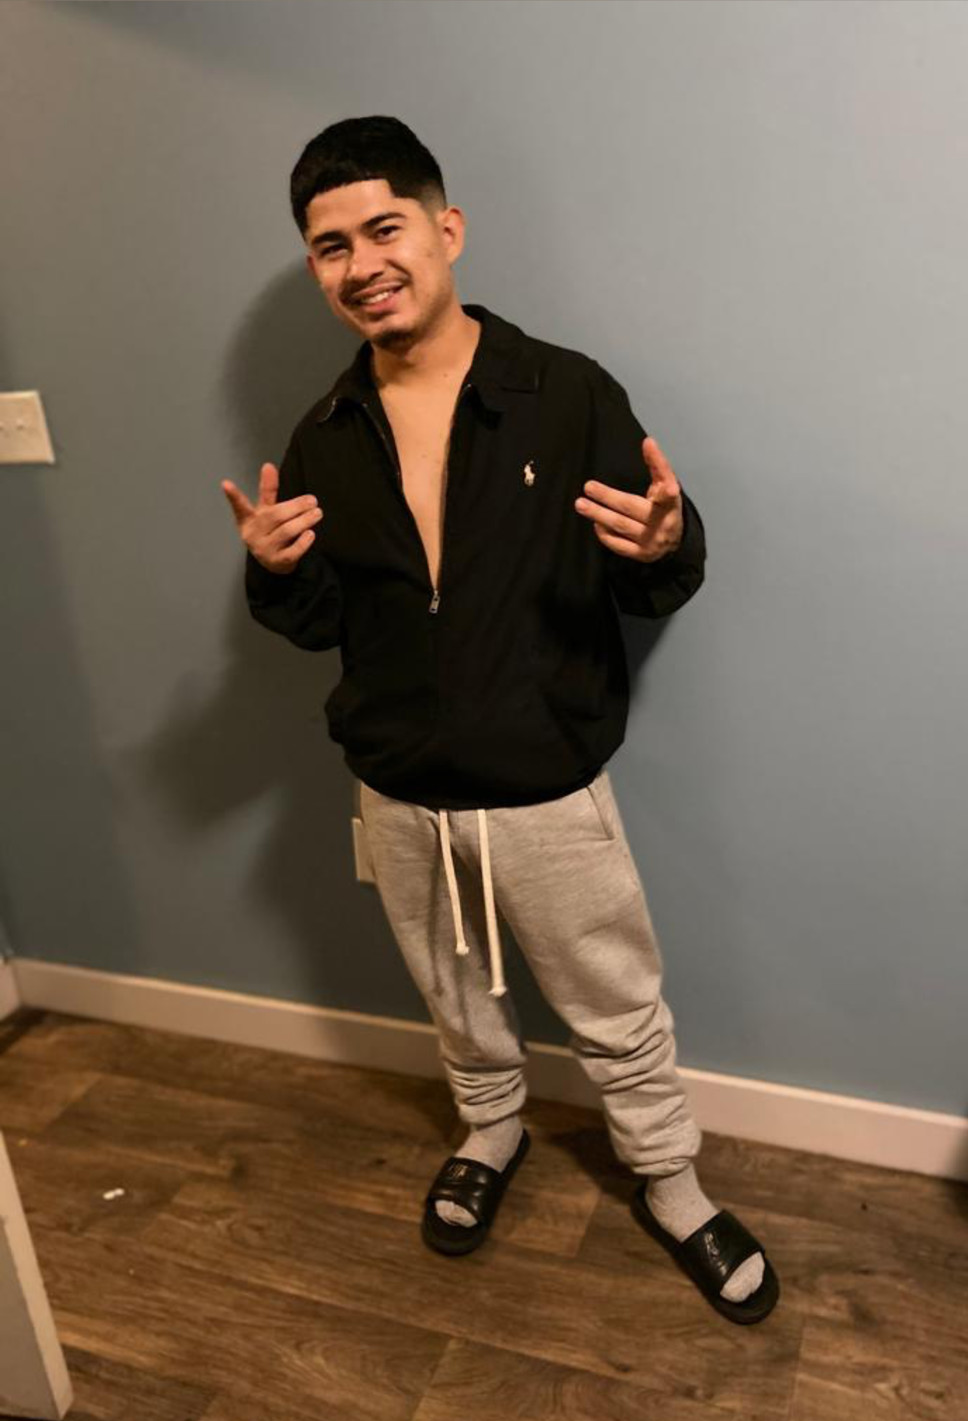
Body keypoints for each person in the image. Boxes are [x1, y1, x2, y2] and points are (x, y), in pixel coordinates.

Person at [221, 116, 778, 1325]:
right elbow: (324, 623)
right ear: (315, 267)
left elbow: (651, 569)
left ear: (446, 229)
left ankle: (672, 1182)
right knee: (456, 1000)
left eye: (383, 229)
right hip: (399, 787)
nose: (362, 263)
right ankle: (491, 1130)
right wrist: (273, 572)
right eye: (330, 246)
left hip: (545, 781)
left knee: (616, 1004)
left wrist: (667, 543)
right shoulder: (325, 432)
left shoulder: (564, 392)